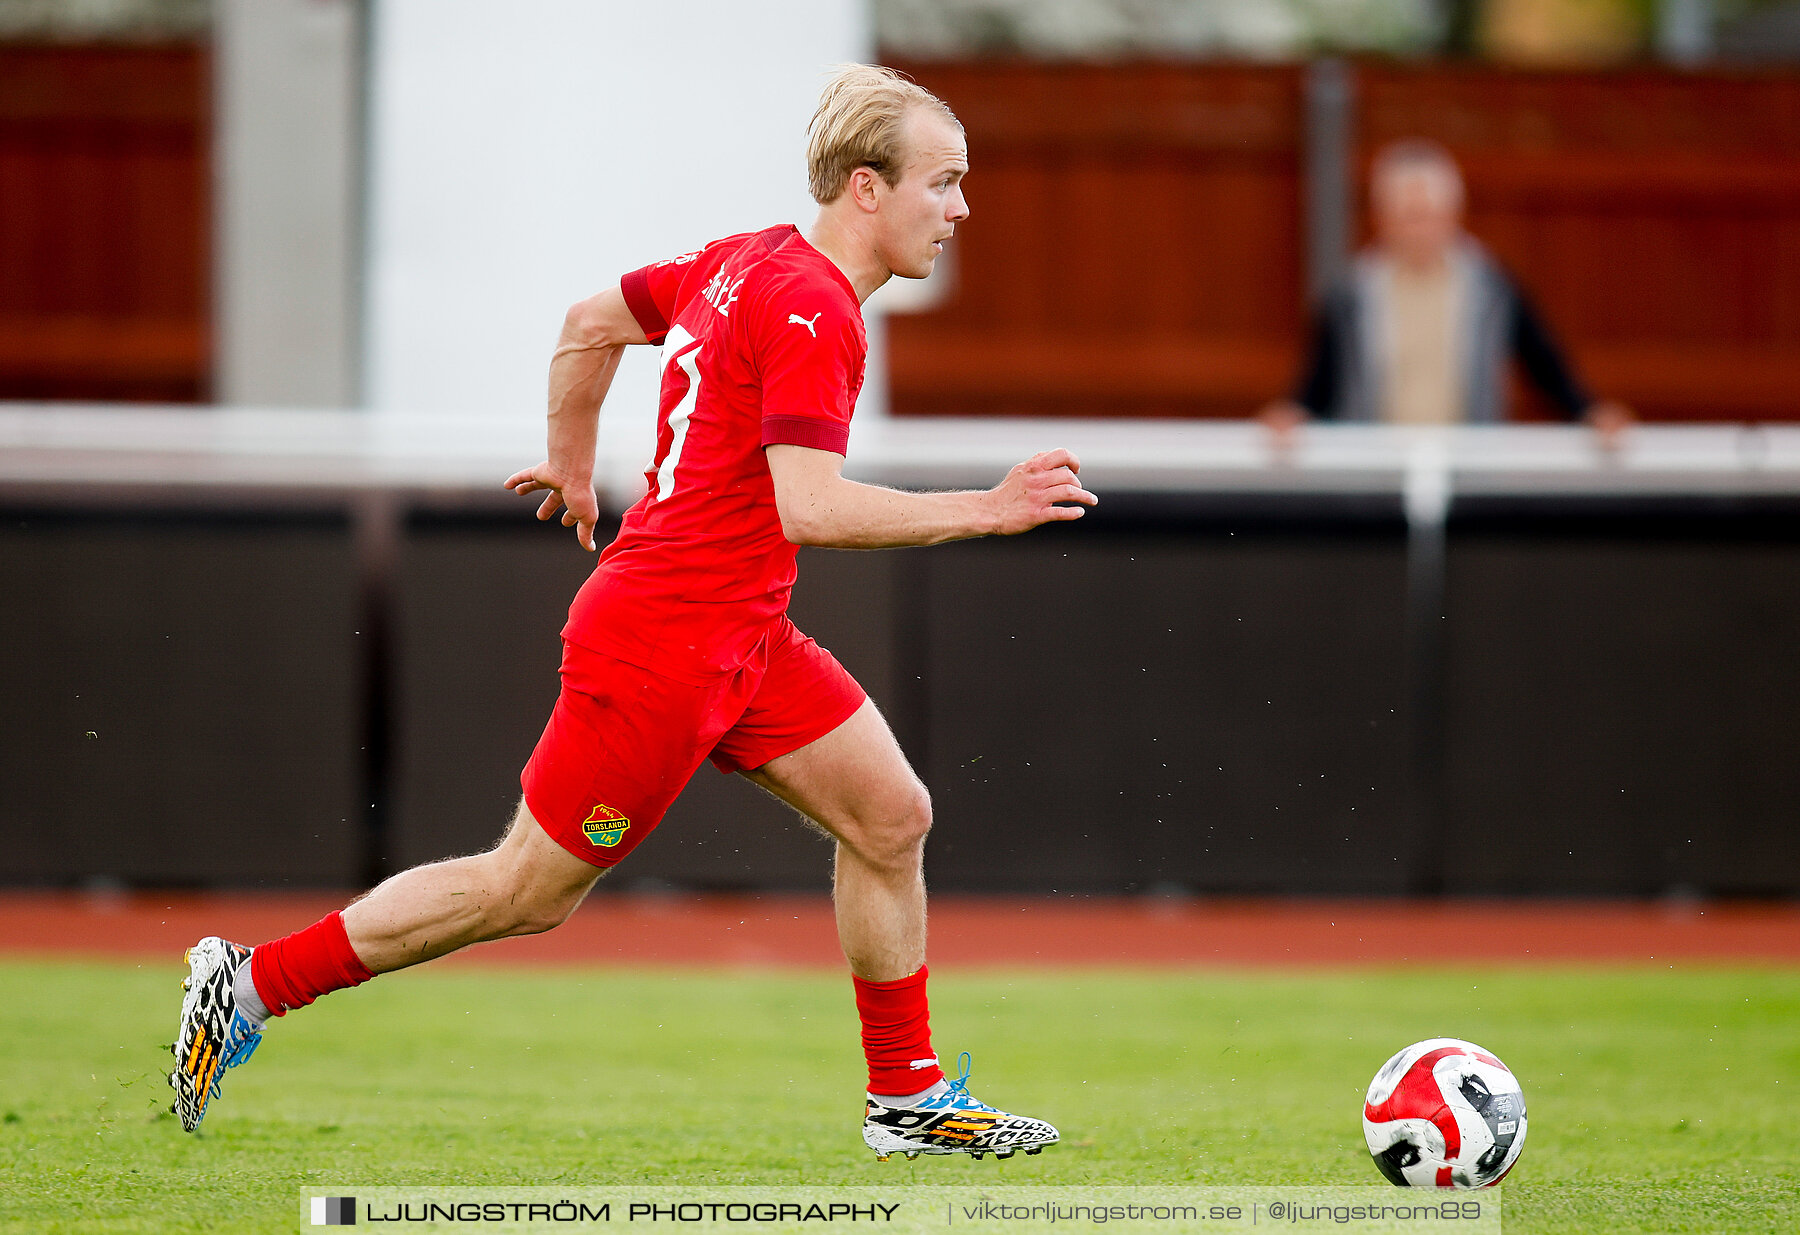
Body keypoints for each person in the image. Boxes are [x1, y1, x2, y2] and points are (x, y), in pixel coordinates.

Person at [169, 65, 1094, 1162]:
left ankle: (906, 1096)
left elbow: (588, 321)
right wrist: (986, 511)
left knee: (893, 817)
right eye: (943, 183)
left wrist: (572, 460)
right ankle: (251, 982)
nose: (960, 208)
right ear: (865, 187)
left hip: (739, 632)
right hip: (663, 640)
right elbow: (813, 504)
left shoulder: (746, 258)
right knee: (524, 891)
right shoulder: (812, 309)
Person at [1261, 139, 1631, 443]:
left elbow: (1542, 362)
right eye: (1409, 215)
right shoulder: (1350, 293)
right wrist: (1293, 414)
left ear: (1454, 214)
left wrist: (1588, 412)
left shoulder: (1492, 287)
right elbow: (1322, 378)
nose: (1419, 230)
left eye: (1429, 215)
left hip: (1468, 464)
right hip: (1372, 465)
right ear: (1382, 218)